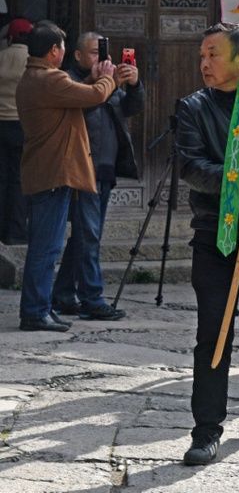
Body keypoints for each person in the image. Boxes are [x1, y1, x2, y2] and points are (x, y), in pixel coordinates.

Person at [175, 23, 239, 465]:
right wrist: (237, 179)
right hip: (214, 232)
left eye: (214, 54)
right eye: (202, 55)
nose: (204, 63)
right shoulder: (193, 108)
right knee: (212, 333)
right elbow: (191, 166)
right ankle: (205, 429)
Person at [15, 22, 117, 332]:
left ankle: (41, 306)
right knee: (46, 248)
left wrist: (91, 79)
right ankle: (35, 311)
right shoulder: (50, 78)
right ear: (54, 52)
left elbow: (76, 94)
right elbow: (94, 96)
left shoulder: (34, 78)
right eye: (60, 47)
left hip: (44, 171)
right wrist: (108, 79)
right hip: (53, 173)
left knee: (45, 245)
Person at [52, 32, 144, 319]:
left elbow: (131, 108)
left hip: (105, 168)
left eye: (103, 53)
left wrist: (134, 84)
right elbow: (82, 105)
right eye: (94, 53)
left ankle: (63, 294)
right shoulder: (68, 81)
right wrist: (105, 81)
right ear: (78, 56)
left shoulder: (108, 79)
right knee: (88, 235)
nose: (101, 59)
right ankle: (92, 298)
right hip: (82, 168)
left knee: (85, 235)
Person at [0, 16, 33, 245]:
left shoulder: (1, 57)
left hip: (0, 123)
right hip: (22, 125)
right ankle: (16, 231)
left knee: (1, 179)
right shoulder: (33, 61)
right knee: (19, 180)